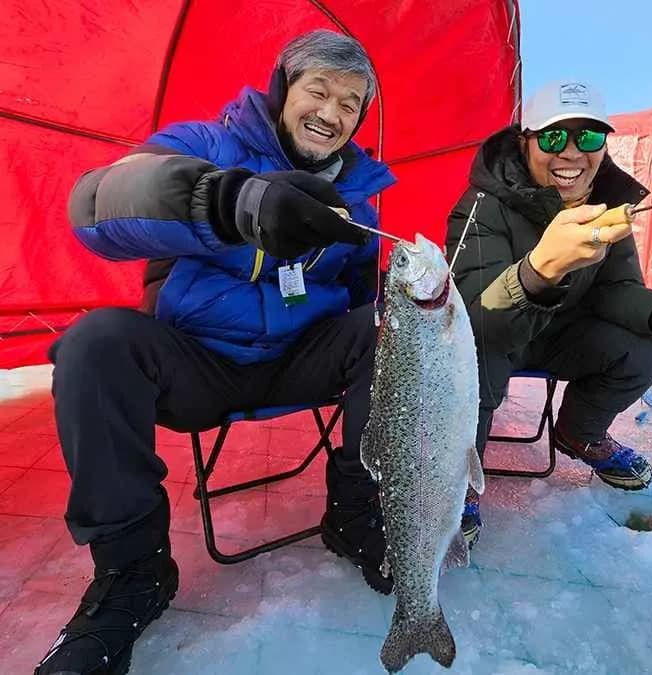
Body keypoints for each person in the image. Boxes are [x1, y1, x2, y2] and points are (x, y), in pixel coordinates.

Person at [35, 30, 396, 675]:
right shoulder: (204, 142)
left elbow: (359, 299)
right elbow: (95, 204)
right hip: (196, 363)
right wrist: (230, 201)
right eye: (319, 90)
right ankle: (133, 571)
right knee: (94, 344)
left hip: (298, 360)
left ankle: (355, 511)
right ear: (284, 89)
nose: (332, 113)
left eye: (350, 103)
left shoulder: (360, 196)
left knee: (394, 329)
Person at [446, 81, 652, 547]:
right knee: (474, 354)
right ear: (524, 142)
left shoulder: (608, 206)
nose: (571, 153)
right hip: (498, 333)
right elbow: (477, 317)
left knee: (642, 352)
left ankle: (579, 433)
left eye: (588, 138)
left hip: (561, 335)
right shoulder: (482, 205)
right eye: (553, 138)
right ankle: (458, 472)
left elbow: (617, 291)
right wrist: (540, 269)